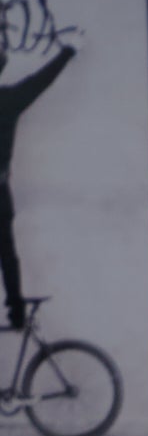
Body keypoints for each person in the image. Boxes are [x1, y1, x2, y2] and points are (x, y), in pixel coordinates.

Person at [0, 18, 77, 337]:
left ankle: (17, 309)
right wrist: (68, 51)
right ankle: (16, 309)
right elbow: (39, 81)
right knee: (7, 252)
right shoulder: (8, 100)